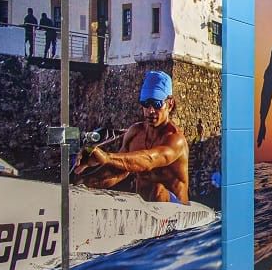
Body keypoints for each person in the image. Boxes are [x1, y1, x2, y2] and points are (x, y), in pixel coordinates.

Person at [73, 70, 190, 204]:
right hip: (144, 209)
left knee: (158, 190)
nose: (150, 110)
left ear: (170, 104)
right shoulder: (135, 133)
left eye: (157, 104)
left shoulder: (175, 139)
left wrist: (106, 157)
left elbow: (149, 160)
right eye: (145, 104)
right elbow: (118, 172)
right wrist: (82, 183)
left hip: (177, 210)